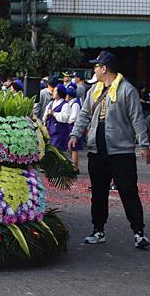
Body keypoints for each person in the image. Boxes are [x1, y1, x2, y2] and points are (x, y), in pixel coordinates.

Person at [69, 51, 150, 249]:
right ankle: (98, 230)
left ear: (104, 68)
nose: (94, 69)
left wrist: (144, 144)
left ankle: (139, 233)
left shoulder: (127, 90)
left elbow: (137, 119)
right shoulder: (94, 90)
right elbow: (84, 115)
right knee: (98, 192)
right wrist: (74, 134)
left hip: (121, 151)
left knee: (128, 191)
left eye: (96, 66)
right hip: (97, 149)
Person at [43, 84, 70, 152]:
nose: (53, 93)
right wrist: (46, 116)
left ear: (59, 93)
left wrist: (54, 113)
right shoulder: (51, 103)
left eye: (55, 91)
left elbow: (64, 118)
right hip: (50, 132)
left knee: (58, 152)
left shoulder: (65, 105)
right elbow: (44, 116)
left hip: (59, 133)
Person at [66, 84, 82, 173]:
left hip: (73, 126)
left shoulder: (75, 104)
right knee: (71, 148)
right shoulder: (72, 102)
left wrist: (66, 120)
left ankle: (75, 168)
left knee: (74, 148)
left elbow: (74, 117)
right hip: (70, 126)